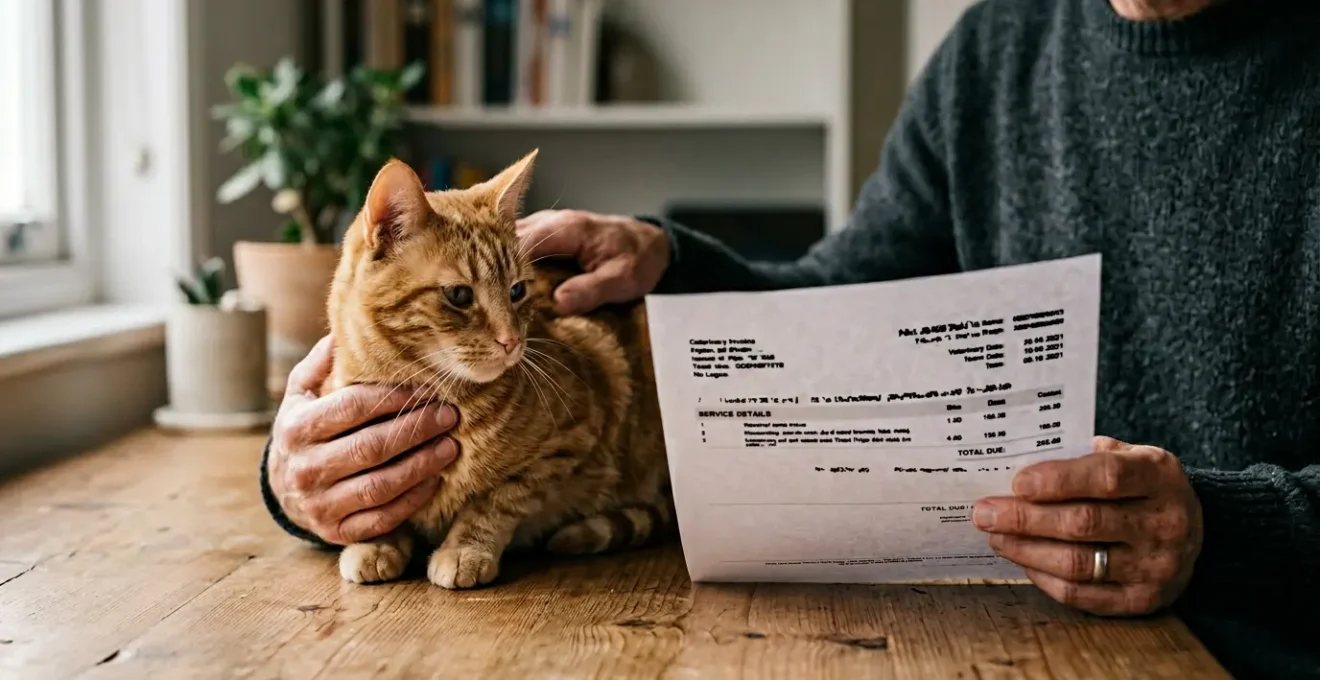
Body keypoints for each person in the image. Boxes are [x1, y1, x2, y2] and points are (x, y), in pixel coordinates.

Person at [261, 0, 1319, 676]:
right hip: (1002, 634)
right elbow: (844, 298)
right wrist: (668, 256)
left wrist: (1230, 531)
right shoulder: (998, 46)